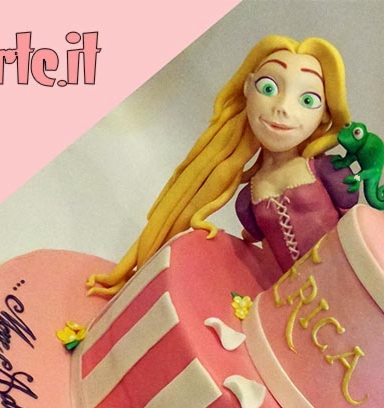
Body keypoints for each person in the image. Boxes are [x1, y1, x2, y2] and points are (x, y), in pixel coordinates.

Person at [87, 35, 357, 296]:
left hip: (347, 285)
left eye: (307, 100)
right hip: (293, 298)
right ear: (248, 88)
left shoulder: (328, 171)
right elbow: (257, 247)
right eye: (269, 88)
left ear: (324, 115)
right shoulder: (248, 198)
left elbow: (357, 224)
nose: (282, 107)